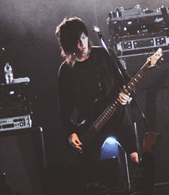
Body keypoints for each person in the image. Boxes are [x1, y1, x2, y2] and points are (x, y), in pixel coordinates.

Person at [55, 17, 139, 163]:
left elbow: (126, 81)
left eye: (83, 38)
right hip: (91, 127)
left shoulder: (105, 54)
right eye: (76, 42)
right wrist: (71, 133)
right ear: (69, 46)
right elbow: (64, 108)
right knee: (93, 170)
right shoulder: (66, 70)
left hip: (118, 118)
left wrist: (128, 96)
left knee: (135, 159)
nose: (82, 45)